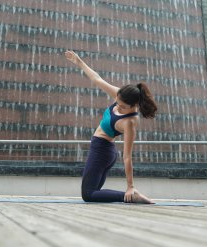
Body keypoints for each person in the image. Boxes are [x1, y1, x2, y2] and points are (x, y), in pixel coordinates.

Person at [65, 50, 158, 204]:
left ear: (133, 106)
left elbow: (128, 156)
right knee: (94, 193)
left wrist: (130, 186)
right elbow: (97, 79)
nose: (118, 107)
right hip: (103, 150)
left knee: (88, 194)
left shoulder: (130, 122)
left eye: (122, 107)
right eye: (117, 103)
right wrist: (79, 62)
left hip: (102, 151)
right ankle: (127, 197)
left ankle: (129, 196)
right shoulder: (120, 95)